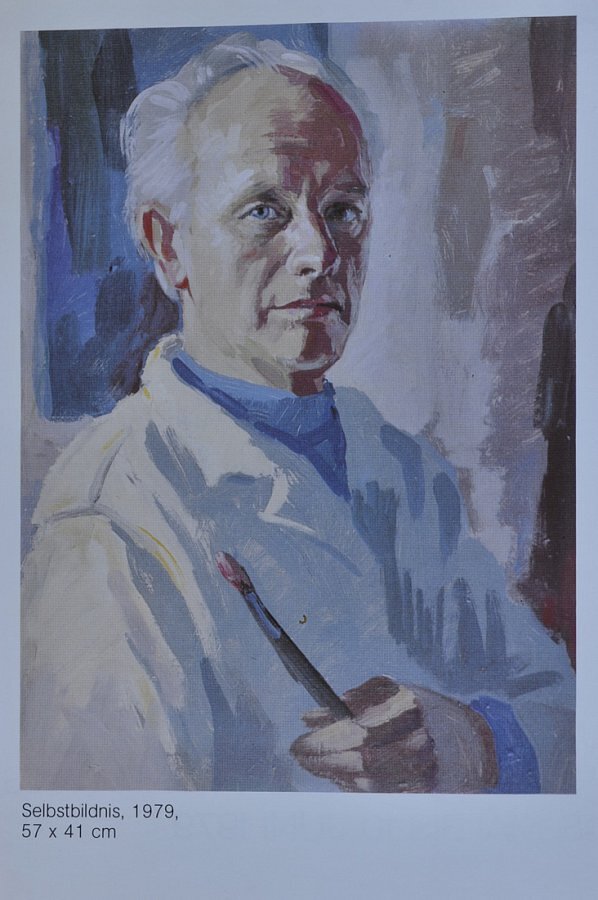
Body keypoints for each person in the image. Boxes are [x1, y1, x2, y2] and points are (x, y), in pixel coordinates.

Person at [21, 34, 574, 792]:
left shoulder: (401, 467)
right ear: (167, 245)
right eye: (264, 211)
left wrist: (471, 743)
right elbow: (118, 836)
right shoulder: (110, 520)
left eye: (342, 209)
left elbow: (567, 720)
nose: (319, 252)